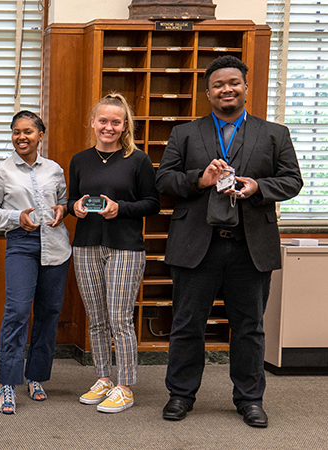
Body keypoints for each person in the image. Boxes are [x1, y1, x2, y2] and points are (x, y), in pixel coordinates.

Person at [156, 56, 302, 428]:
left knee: (249, 326)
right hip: (196, 246)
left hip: (249, 247)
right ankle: (180, 394)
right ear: (208, 92)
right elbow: (164, 182)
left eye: (233, 82)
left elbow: (292, 181)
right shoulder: (184, 134)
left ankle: (250, 399)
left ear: (246, 88)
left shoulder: (275, 134)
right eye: (219, 84)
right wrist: (200, 180)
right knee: (188, 324)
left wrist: (259, 187)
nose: (227, 89)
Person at [68, 93, 160, 413]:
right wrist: (75, 207)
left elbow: (153, 203)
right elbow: (70, 200)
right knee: (97, 319)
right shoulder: (80, 160)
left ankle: (125, 385)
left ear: (124, 126)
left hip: (125, 246)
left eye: (115, 122)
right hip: (86, 244)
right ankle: (104, 378)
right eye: (103, 121)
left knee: (119, 319)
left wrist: (120, 208)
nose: (108, 127)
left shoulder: (138, 160)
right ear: (93, 123)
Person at [0, 110, 70, 414]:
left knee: (49, 312)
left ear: (40, 135)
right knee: (17, 311)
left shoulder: (55, 170)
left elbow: (62, 203)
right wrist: (16, 217)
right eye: (16, 131)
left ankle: (36, 376)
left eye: (28, 132)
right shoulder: (0, 171)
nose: (22, 137)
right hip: (21, 243)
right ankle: (8, 382)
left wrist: (63, 209)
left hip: (56, 245)